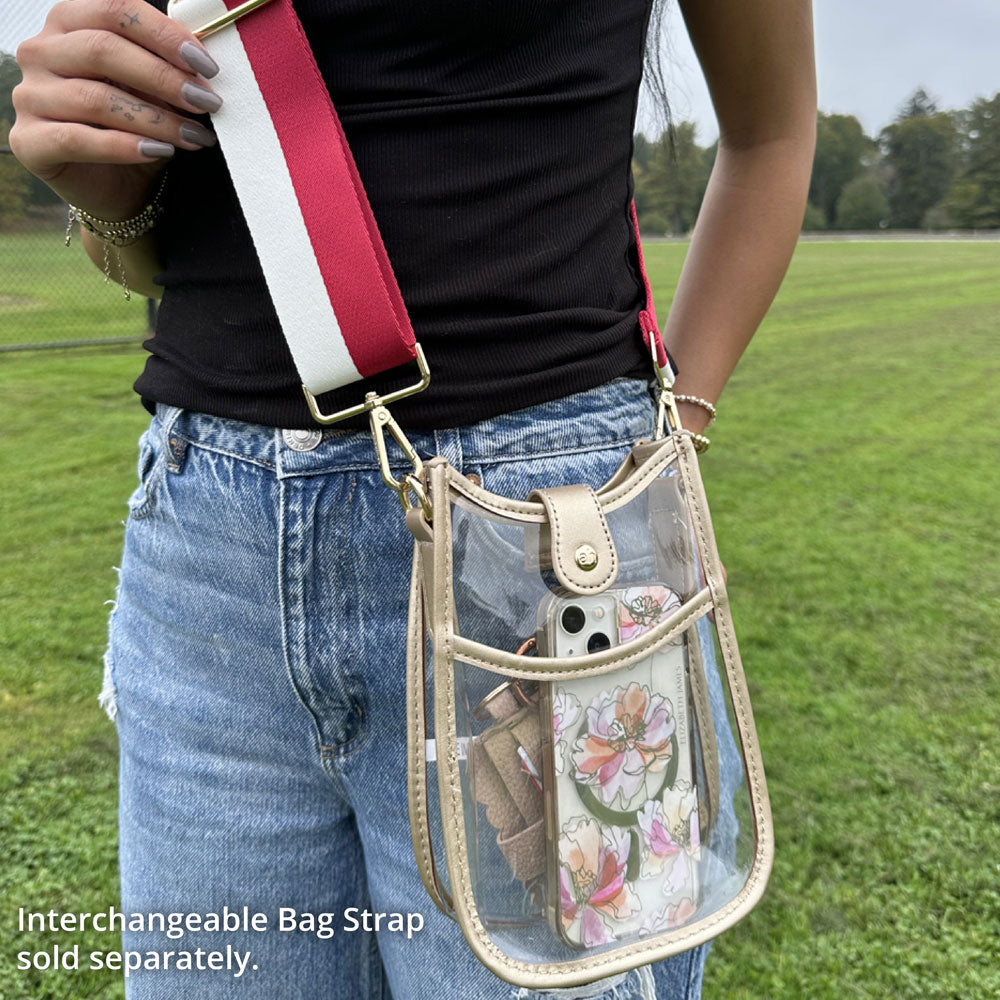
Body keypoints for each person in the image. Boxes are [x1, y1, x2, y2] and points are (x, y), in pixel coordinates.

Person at [10, 0, 816, 997]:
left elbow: (772, 130)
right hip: (204, 562)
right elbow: (144, 246)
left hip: (545, 564)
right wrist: (103, 186)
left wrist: (670, 438)